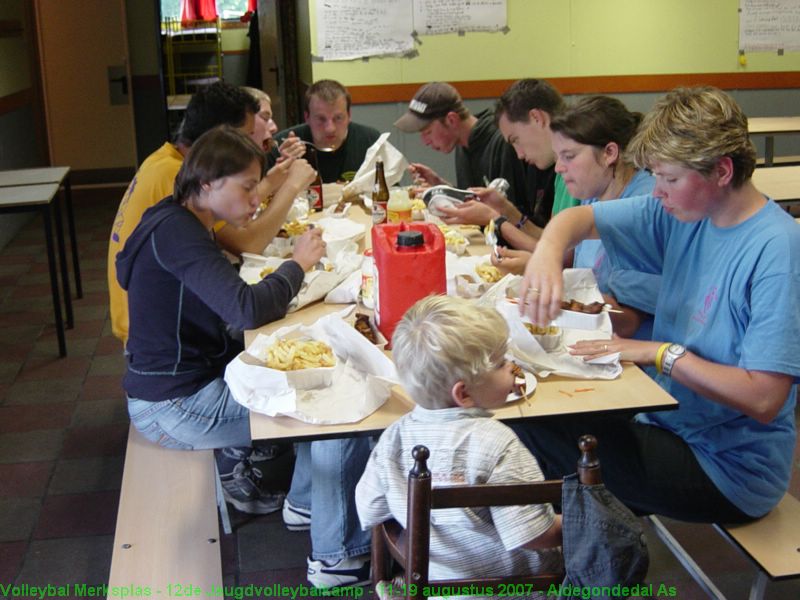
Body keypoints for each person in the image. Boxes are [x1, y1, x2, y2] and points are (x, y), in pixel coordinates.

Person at [515, 86, 800, 523]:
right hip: (667, 420)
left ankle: (573, 561)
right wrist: (547, 255)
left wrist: (659, 353)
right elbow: (577, 219)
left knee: (533, 434)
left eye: (668, 179)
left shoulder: (777, 252)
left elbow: (763, 397)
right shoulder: (685, 212)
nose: (658, 191)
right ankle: (576, 557)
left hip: (727, 467)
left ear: (722, 171)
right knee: (534, 417)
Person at [115, 126, 326, 515]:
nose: (255, 200)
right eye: (247, 188)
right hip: (174, 405)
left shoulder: (173, 217)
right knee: (318, 408)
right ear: (208, 184)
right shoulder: (179, 233)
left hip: (170, 386)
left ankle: (242, 460)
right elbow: (245, 308)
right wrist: (297, 265)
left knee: (284, 365)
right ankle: (306, 506)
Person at [356, 296, 563, 588]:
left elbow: (370, 509)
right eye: (502, 363)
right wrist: (577, 524)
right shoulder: (499, 444)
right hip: (514, 586)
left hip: (433, 582)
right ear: (463, 394)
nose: (512, 367)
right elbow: (532, 535)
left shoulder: (393, 437)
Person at [109, 82, 315, 342]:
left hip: (180, 327)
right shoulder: (175, 190)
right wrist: (291, 189)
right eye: (245, 136)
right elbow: (248, 246)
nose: (255, 141)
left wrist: (268, 183)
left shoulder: (174, 167)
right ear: (218, 144)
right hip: (163, 342)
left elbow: (234, 207)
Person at [494, 95, 657, 338]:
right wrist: (535, 267)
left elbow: (630, 322)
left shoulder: (644, 206)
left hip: (630, 357)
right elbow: (569, 261)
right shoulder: (593, 192)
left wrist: (560, 303)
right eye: (557, 156)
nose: (559, 167)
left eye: (568, 156)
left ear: (609, 153)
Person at [437, 79, 577, 252]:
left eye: (515, 140)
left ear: (536, 118)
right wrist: (505, 209)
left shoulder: (576, 169)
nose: (519, 154)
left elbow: (563, 256)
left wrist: (496, 220)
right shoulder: (560, 172)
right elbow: (550, 239)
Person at [393, 82, 531, 215]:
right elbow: (474, 200)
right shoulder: (462, 144)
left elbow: (512, 215)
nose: (425, 142)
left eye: (428, 132)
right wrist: (440, 186)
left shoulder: (502, 143)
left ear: (451, 120)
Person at [273, 79, 380, 183]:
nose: (330, 129)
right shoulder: (282, 147)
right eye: (321, 119)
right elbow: (262, 198)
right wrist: (282, 172)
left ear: (349, 115)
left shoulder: (372, 142)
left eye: (338, 118)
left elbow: (392, 192)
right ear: (307, 117)